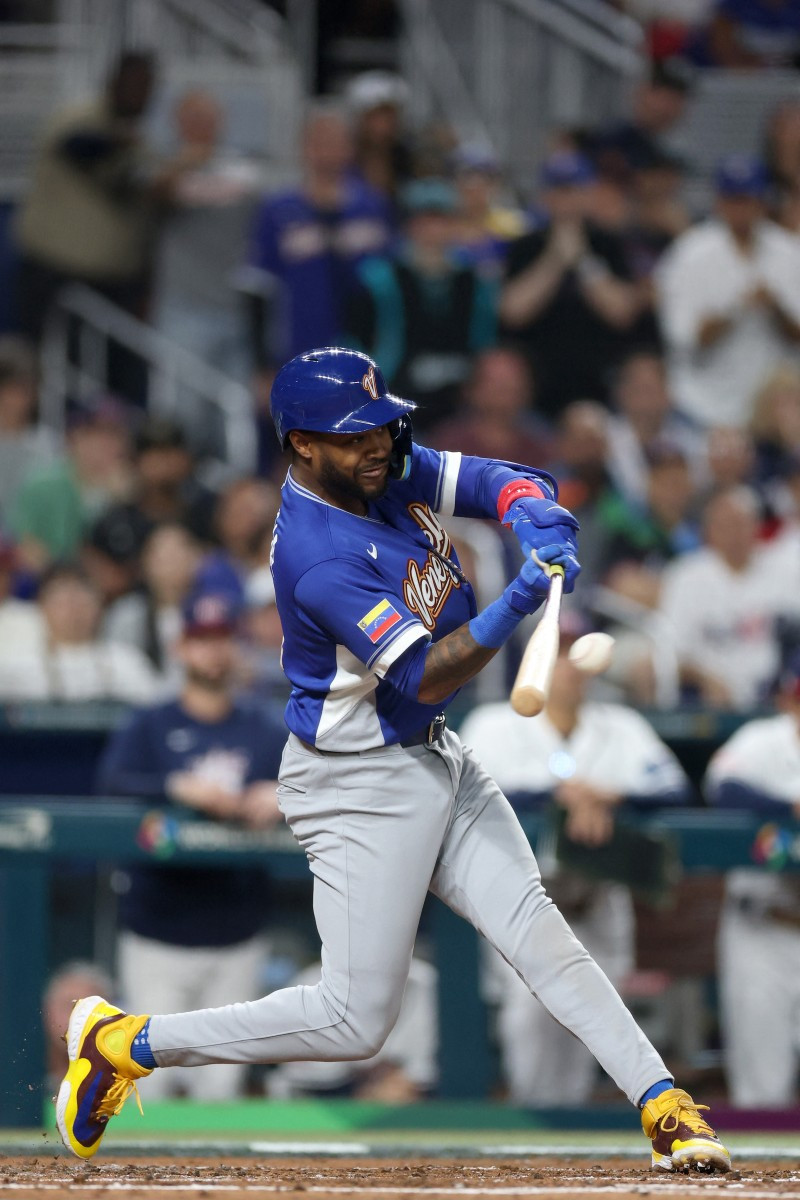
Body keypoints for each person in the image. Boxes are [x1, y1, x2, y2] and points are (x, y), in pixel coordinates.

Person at [56, 347, 730, 1174]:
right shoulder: (316, 552)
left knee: (537, 930)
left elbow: (491, 479)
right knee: (353, 1021)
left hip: (431, 751)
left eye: (382, 424)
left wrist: (527, 510)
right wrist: (518, 602)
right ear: (302, 444)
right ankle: (128, 1043)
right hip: (355, 780)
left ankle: (662, 1103)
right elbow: (422, 671)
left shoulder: (382, 468)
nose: (379, 443)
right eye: (354, 434)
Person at [460, 634, 690, 1106]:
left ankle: (570, 1163)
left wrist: (610, 796)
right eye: (557, 653)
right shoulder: (493, 723)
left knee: (595, 1030)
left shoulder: (621, 724)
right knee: (529, 1027)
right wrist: (558, 795)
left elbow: (673, 789)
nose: (568, 665)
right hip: (523, 904)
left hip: (596, 904)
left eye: (573, 654)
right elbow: (463, 791)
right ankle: (532, 1144)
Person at [96, 587, 286, 1100]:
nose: (212, 651)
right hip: (159, 929)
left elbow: (310, 782)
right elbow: (111, 784)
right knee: (147, 1091)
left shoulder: (264, 727)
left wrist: (282, 792)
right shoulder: (150, 724)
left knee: (219, 1090)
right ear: (181, 647)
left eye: (222, 638)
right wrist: (176, 786)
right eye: (201, 639)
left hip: (236, 932)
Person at [704, 653, 800, 1106]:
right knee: (762, 1091)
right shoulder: (762, 740)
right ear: (787, 697)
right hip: (763, 926)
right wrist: (789, 808)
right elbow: (722, 788)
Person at [240, 102, 394, 379]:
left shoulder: (372, 207)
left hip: (362, 359)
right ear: (304, 146)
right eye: (320, 141)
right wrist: (261, 366)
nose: (328, 151)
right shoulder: (278, 210)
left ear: (350, 147)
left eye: (336, 141)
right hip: (296, 355)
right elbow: (257, 288)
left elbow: (388, 287)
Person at [15, 51, 158, 343]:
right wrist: (117, 141)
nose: (138, 95)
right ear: (113, 82)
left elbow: (137, 185)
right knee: (35, 358)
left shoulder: (140, 141)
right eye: (132, 85)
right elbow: (77, 145)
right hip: (53, 271)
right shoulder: (81, 116)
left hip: (114, 281)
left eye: (145, 88)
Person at [656, 153, 800, 430]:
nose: (741, 209)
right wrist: (736, 308)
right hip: (703, 406)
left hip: (770, 411)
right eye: (734, 199)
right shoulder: (689, 254)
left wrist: (776, 308)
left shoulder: (787, 251)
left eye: (749, 199)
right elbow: (686, 339)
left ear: (763, 202)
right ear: (719, 201)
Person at [345, 177, 496, 431]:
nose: (431, 230)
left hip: (463, 407)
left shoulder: (475, 278)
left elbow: (484, 339)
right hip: (397, 400)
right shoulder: (378, 278)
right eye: (422, 220)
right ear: (408, 225)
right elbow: (356, 341)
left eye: (440, 220)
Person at [499, 151, 642, 420]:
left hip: (597, 385)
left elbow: (622, 313)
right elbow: (512, 312)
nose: (565, 200)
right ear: (545, 196)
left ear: (588, 194)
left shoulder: (607, 243)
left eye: (573, 190)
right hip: (535, 388)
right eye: (558, 190)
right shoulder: (525, 246)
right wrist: (554, 259)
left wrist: (583, 261)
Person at [657, 485, 799, 709]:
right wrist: (705, 679)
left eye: (740, 524)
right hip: (707, 699)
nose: (734, 534)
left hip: (772, 696)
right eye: (724, 526)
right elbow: (669, 652)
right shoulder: (686, 575)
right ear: (709, 531)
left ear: (756, 527)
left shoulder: (784, 572)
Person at [0, 562, 159, 704]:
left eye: (81, 599)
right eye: (64, 601)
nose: (74, 609)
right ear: (43, 606)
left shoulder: (127, 662)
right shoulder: (16, 666)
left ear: (100, 605)